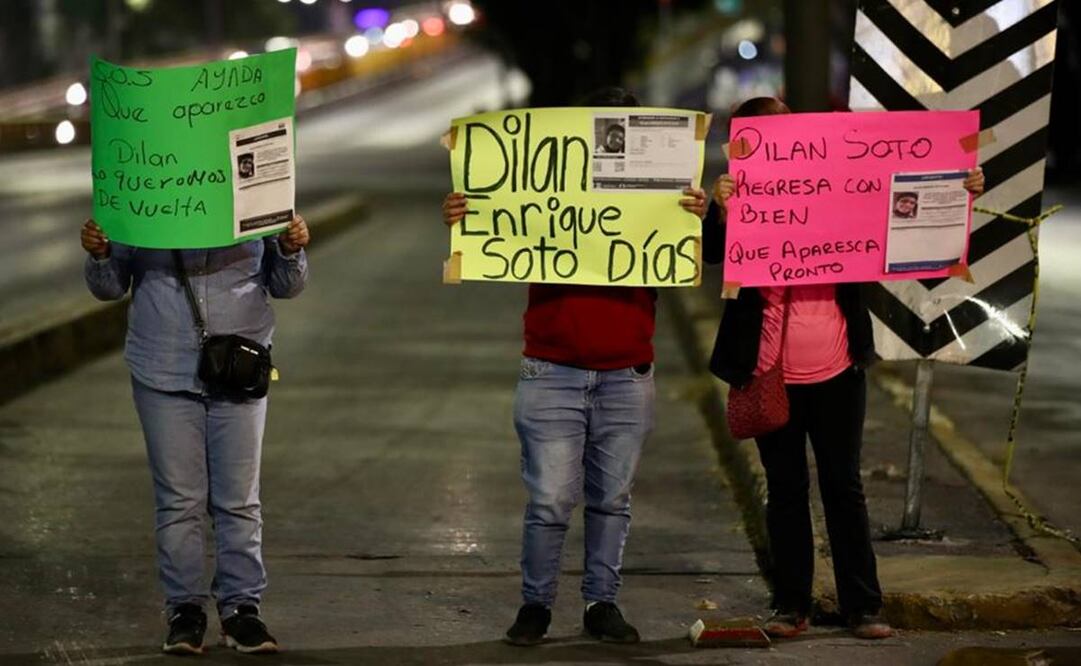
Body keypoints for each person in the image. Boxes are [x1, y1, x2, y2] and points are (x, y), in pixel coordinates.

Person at [703, 96, 984, 640]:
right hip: (768, 375)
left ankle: (863, 605)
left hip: (837, 370)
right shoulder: (739, 197)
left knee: (842, 485)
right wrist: (720, 209)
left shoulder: (839, 186)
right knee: (785, 490)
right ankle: (791, 605)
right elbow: (713, 253)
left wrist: (959, 188)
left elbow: (903, 210)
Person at [442, 87, 709, 647]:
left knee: (612, 499)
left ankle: (600, 603)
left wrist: (694, 218)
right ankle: (535, 605)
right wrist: (467, 214)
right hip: (551, 368)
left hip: (627, 372)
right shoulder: (548, 181)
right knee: (549, 499)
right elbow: (498, 223)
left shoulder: (665, 192)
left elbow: (686, 259)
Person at [81, 215, 310, 655]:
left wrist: (291, 246)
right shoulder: (145, 192)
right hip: (162, 365)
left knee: (239, 498)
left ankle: (242, 610)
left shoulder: (255, 182)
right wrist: (100, 253)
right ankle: (184, 611)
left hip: (239, 365)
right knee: (179, 500)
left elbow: (286, 284)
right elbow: (110, 286)